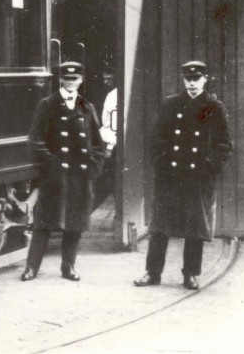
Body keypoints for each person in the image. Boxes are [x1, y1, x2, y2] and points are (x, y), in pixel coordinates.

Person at [134, 61, 233, 290]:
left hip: (197, 177)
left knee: (195, 227)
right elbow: (157, 138)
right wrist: (160, 163)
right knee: (160, 226)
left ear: (205, 79)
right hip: (170, 175)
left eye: (197, 79)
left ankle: (190, 274)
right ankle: (152, 272)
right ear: (183, 80)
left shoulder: (214, 107)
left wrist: (208, 167)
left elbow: (224, 145)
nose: (192, 84)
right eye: (188, 79)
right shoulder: (171, 104)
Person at [21, 62, 106, 282]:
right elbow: (36, 140)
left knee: (74, 223)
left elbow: (98, 143)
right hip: (55, 176)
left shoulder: (87, 107)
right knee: (44, 223)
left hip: (80, 175)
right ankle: (31, 268)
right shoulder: (48, 104)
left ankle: (68, 267)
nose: (71, 83)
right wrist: (49, 167)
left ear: (80, 80)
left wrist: (94, 169)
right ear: (61, 80)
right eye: (67, 79)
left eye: (75, 79)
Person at [94, 67, 119, 206]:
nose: (106, 82)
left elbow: (112, 126)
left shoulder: (113, 96)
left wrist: (109, 147)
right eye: (104, 79)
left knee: (107, 182)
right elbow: (106, 123)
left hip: (114, 146)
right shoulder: (110, 95)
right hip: (110, 144)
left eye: (109, 79)